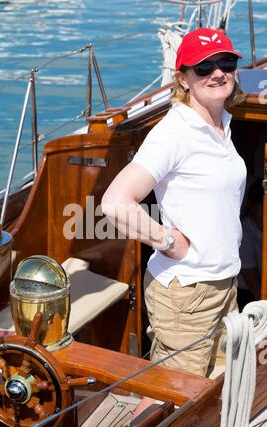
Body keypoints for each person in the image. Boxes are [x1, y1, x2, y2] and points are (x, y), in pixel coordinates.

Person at [101, 27, 246, 382]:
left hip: (223, 283)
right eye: (203, 67)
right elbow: (115, 203)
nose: (217, 73)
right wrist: (167, 241)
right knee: (177, 404)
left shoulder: (220, 125)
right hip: (187, 296)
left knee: (221, 389)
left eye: (225, 62)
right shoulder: (174, 133)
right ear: (182, 78)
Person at [237, 178, 263, 309]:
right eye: (262, 204)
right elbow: (253, 283)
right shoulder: (244, 231)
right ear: (251, 204)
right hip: (246, 295)